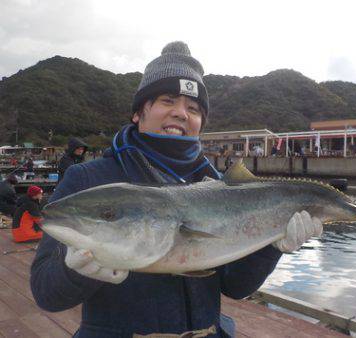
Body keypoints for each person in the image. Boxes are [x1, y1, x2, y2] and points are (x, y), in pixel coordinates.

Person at [30, 41, 323, 338]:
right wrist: (73, 272)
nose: (181, 113)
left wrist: (272, 246)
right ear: (139, 112)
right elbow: (46, 293)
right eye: (168, 101)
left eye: (193, 108)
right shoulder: (88, 179)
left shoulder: (219, 186)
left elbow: (236, 287)